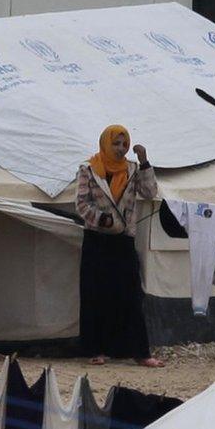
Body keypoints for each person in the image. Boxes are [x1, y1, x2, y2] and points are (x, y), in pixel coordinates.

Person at [74, 125, 161, 367]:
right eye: (116, 144)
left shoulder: (132, 170)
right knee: (96, 294)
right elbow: (81, 204)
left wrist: (144, 163)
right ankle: (97, 349)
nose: (121, 149)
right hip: (97, 239)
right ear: (105, 143)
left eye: (124, 144)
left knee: (131, 295)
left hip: (123, 239)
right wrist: (101, 218)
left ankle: (140, 352)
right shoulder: (89, 169)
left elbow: (150, 192)